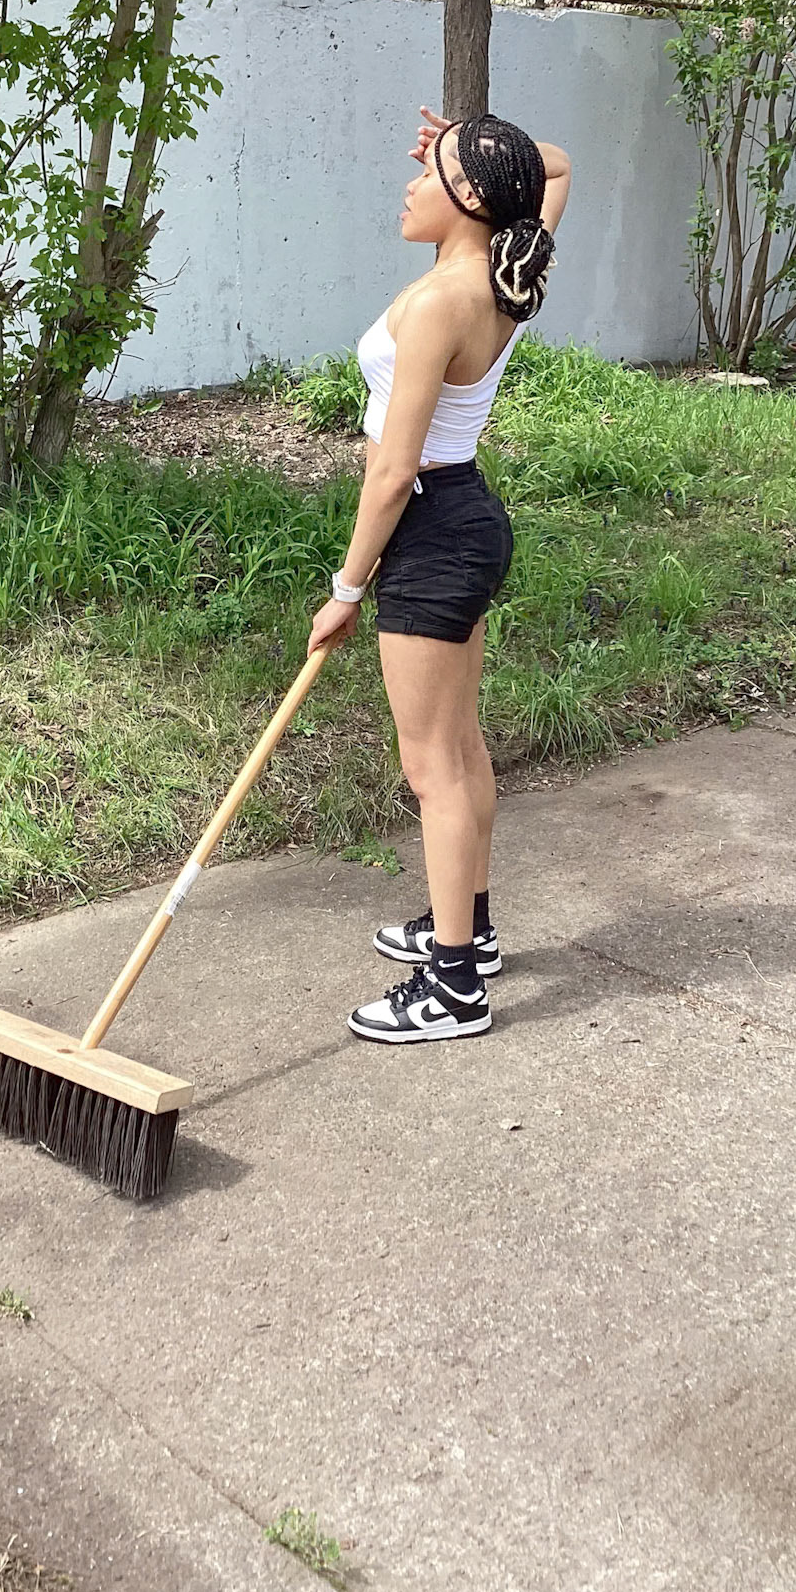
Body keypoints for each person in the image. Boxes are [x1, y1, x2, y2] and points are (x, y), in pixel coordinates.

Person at [307, 106, 571, 1043]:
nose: (411, 183)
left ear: (469, 197)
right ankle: (471, 930)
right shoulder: (507, 272)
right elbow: (554, 167)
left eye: (430, 173)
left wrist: (345, 590)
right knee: (458, 746)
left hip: (428, 530)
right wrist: (469, 142)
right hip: (466, 519)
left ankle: (454, 986)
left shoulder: (439, 302)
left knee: (432, 769)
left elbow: (391, 471)